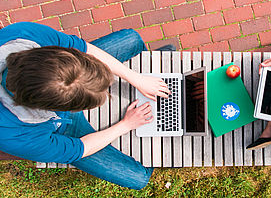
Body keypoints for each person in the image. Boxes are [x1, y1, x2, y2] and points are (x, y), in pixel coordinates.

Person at [0, 22, 173, 189]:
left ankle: (147, 64)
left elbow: (83, 49)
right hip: (60, 127)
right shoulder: (14, 135)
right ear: (62, 109)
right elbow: (80, 149)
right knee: (138, 178)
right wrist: (125, 125)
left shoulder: (23, 34)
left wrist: (136, 78)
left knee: (131, 39)